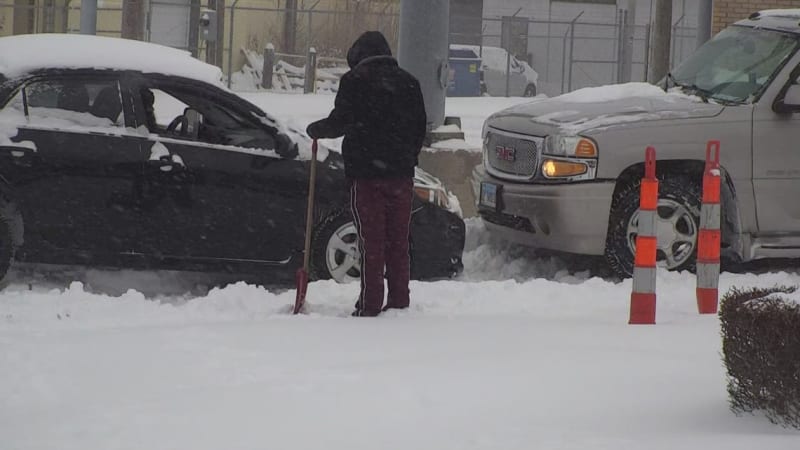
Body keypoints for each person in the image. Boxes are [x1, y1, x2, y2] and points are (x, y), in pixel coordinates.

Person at [306, 31, 427, 317]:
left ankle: (370, 304)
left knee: (371, 241)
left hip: (366, 175)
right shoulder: (410, 82)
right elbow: (419, 127)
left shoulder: (354, 81)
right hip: (400, 176)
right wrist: (407, 157)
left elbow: (341, 122)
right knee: (398, 241)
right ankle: (399, 302)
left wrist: (317, 130)